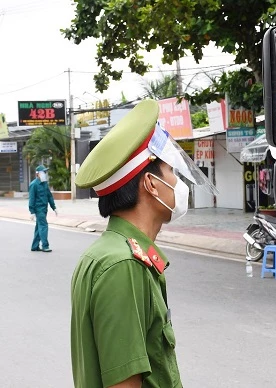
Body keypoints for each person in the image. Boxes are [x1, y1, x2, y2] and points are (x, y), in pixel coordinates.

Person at [71, 100, 216, 387]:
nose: (178, 182)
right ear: (151, 184)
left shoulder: (108, 253)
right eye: (171, 172)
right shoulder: (123, 266)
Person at [29, 164, 57, 252]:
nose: (45, 174)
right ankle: (45, 246)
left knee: (39, 227)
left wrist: (54, 207)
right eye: (43, 172)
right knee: (44, 226)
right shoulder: (34, 185)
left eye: (45, 172)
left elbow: (49, 196)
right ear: (38, 174)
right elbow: (31, 199)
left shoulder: (44, 183)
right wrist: (32, 211)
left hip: (44, 209)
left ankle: (34, 246)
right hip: (38, 209)